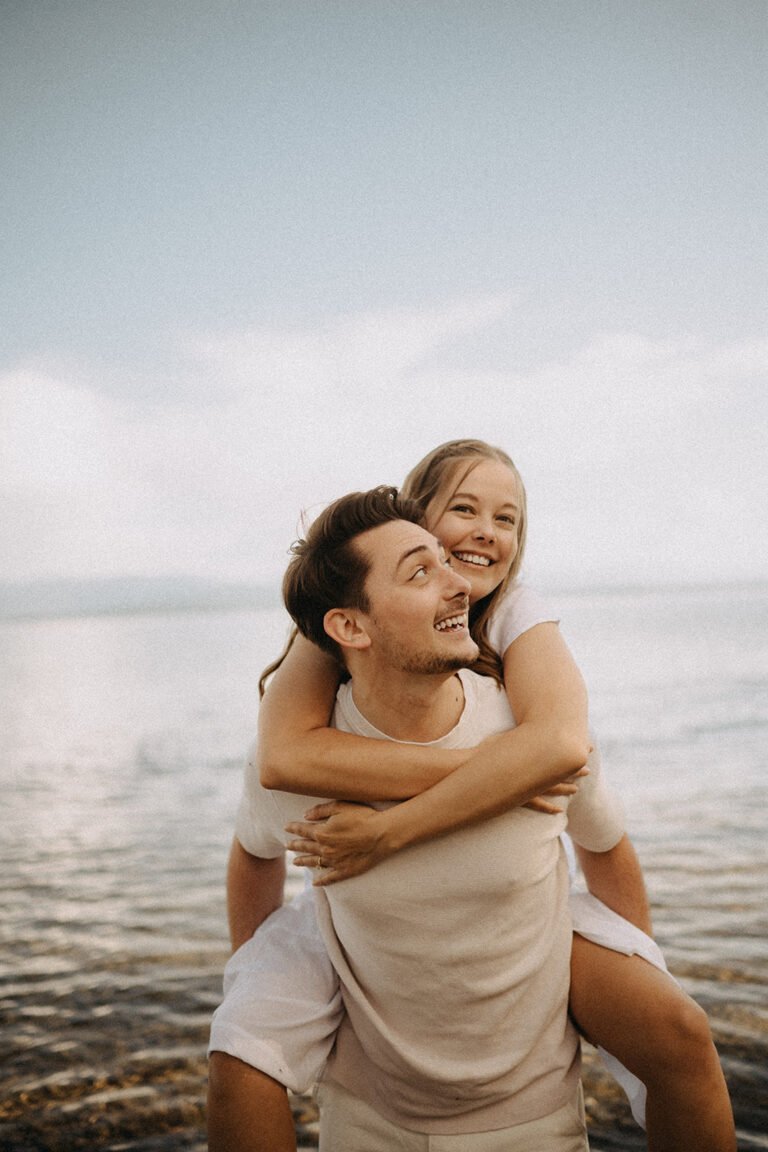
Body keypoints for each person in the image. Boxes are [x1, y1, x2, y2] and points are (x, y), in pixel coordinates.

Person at [208, 442, 735, 1152]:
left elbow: (577, 784)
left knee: (678, 1030)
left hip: (530, 1095)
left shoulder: (524, 674)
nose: (481, 539)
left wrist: (633, 975)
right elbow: (278, 772)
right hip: (368, 1052)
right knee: (240, 1048)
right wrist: (257, 974)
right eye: (462, 512)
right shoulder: (328, 671)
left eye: (506, 519)